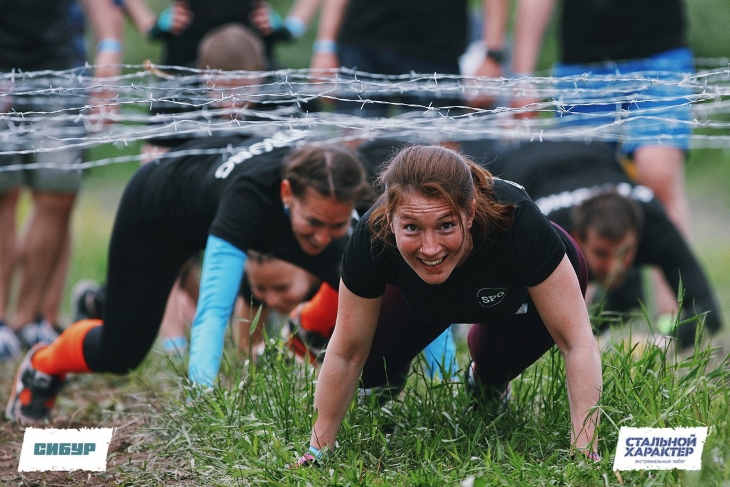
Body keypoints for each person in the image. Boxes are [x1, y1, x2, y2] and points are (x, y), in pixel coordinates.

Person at [5, 134, 372, 424]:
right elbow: (213, 309)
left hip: (211, 205)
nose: (323, 236)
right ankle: (44, 363)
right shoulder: (249, 199)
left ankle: (304, 333)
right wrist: (202, 402)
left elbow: (381, 292)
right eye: (314, 223)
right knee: (120, 353)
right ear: (287, 194)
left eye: (336, 225)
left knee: (358, 278)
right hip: (156, 215)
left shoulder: (337, 194)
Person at [295, 145, 601, 465]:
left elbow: (577, 342)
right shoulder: (373, 236)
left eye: (445, 226)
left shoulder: (517, 220)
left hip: (519, 290)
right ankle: (384, 387)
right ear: (390, 218)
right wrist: (318, 449)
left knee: (493, 363)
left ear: (469, 213)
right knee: (371, 371)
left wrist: (584, 451)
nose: (430, 248)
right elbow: (346, 351)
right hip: (425, 297)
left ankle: (487, 383)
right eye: (412, 227)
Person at [478, 140, 722, 349]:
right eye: (602, 253)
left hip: (591, 153)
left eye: (624, 252)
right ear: (576, 237)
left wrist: (664, 342)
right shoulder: (544, 234)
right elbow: (511, 317)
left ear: (638, 237)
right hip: (520, 161)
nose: (614, 265)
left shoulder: (654, 227)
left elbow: (708, 311)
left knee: (626, 304)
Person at [493, 0, 693, 237]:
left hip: (660, 53)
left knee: (658, 172)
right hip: (582, 64)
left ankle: (678, 272)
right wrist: (522, 77)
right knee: (584, 190)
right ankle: (588, 272)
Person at [0, 0, 123, 360]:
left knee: (57, 194)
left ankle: (29, 319)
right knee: (3, 197)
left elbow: (103, 8)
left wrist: (110, 55)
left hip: (60, 75)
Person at [309, 0, 506, 115]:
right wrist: (325, 46)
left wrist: (492, 55)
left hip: (437, 49)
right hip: (362, 41)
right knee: (354, 146)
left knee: (438, 158)